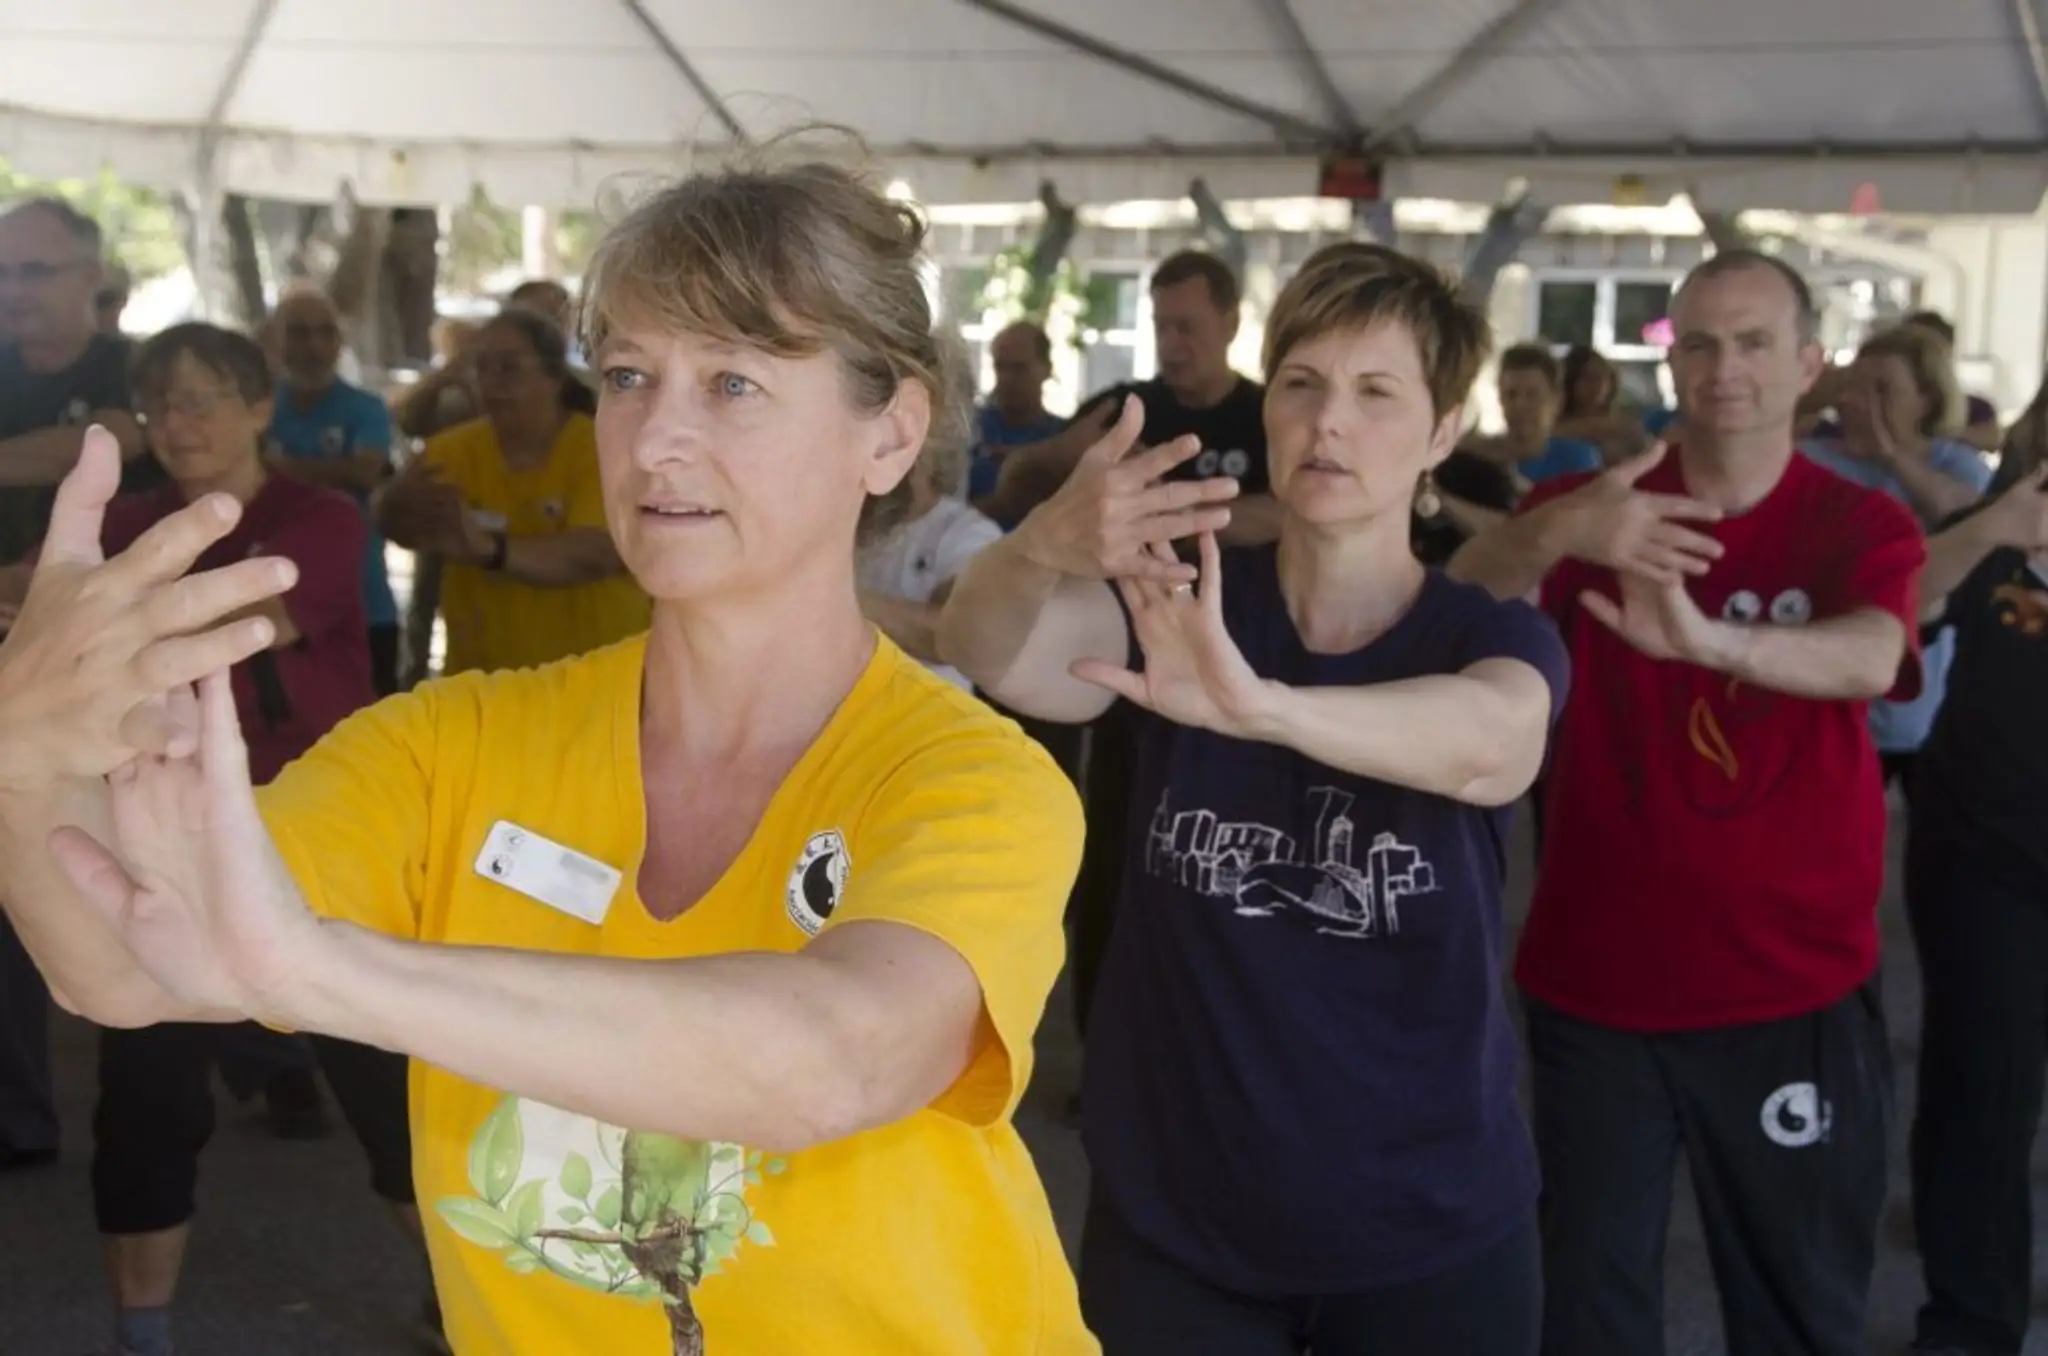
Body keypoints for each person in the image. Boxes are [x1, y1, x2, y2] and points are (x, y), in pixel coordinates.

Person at [0, 151, 1093, 1356]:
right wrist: (24, 745)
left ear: (887, 434)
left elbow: (833, 1060)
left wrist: (307, 969)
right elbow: (123, 966)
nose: (656, 438)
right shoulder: (450, 743)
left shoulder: (970, 781)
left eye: (732, 382)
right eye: (627, 375)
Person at [941, 241, 1566, 1355]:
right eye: (1300, 384)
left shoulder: (1482, 634)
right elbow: (991, 650)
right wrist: (1040, 544)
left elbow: (1494, 745)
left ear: (1438, 432)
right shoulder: (1178, 604)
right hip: (1180, 1223)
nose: (1329, 422)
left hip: (1425, 1227)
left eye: (1376, 393)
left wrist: (1260, 707)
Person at [1450, 248, 1925, 1356]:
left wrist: (1709, 640)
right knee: (1586, 1310)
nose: (1724, 369)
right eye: (1697, 342)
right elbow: (1459, 587)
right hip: (1596, 988)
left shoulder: (1858, 526)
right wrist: (1553, 533)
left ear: (1807, 363)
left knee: (1797, 1309)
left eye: (1753, 341)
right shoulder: (1590, 506)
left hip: (1790, 990)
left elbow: (1869, 655)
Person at [0, 322, 434, 1356]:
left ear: (256, 408)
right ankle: (139, 1331)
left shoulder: (324, 516)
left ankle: (455, 1298)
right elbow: (30, 606)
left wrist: (86, 634)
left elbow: (256, 613)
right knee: (145, 1102)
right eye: (160, 405)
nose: (178, 423)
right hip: (166, 842)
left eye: (203, 400)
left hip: (324, 844)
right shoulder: (131, 515)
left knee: (391, 1095)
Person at [0, 196, 162, 1174]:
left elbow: (99, 446)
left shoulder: (126, 369)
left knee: (108, 867)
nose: (13, 292)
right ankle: (25, 1114)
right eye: (4, 272)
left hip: (103, 674)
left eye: (36, 272)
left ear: (91, 281)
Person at [1899, 374, 2048, 1356]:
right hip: (1981, 855)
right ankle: (1969, 1317)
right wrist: (1993, 528)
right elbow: (1889, 608)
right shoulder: (1992, 532)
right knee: (1981, 1090)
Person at [376, 307, 650, 675]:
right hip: (484, 691)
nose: (491, 384)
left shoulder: (601, 448)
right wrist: (391, 509)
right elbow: (400, 525)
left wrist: (490, 549)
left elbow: (598, 553)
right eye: (481, 368)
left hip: (595, 686)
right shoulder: (452, 453)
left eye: (507, 368)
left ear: (553, 377)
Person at [1800, 323, 1991, 794]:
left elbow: (1972, 520)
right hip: (1832, 690)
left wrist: (1892, 456)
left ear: (1925, 400)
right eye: (1854, 387)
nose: (1859, 401)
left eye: (1883, 388)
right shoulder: (1810, 460)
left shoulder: (1955, 464)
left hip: (1926, 702)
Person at [264, 289, 403, 695]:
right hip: (277, 605)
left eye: (326, 333)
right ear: (278, 340)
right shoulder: (261, 408)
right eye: (300, 332)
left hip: (364, 602)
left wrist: (282, 471)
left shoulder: (364, 407)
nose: (314, 345)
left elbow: (365, 472)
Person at [858, 413, 1001, 690]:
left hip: (926, 722)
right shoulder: (843, 524)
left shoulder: (968, 533)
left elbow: (950, 638)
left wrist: (829, 599)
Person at [965, 320, 1065, 510]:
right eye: (1000, 367)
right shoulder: (967, 430)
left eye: (1019, 368)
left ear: (1047, 369)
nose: (1007, 378)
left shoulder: (1065, 438)